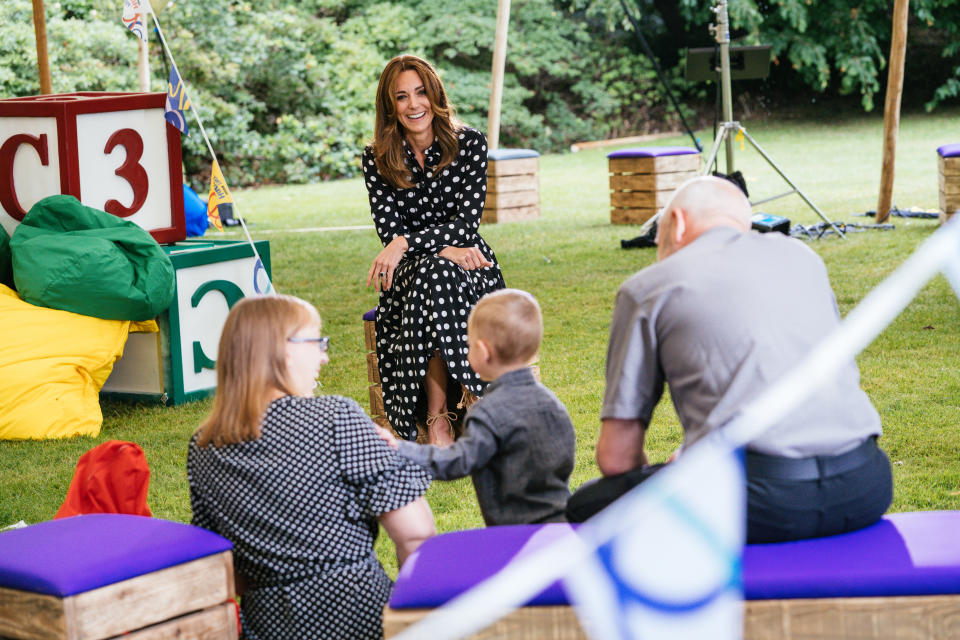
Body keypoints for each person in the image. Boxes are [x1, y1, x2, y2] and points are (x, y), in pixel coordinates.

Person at [567, 176, 893, 543]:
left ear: (678, 222)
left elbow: (617, 459)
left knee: (587, 505)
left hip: (758, 502)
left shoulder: (648, 287)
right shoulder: (803, 257)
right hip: (866, 484)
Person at [187, 295, 435, 640]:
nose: (324, 355)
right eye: (316, 341)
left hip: (268, 625)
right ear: (283, 349)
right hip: (359, 616)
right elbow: (415, 532)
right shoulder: (335, 418)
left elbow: (229, 569)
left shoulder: (204, 445)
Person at [362, 54, 505, 447]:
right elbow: (388, 231)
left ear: (435, 94)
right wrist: (441, 251)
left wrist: (409, 241)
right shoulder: (375, 158)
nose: (414, 105)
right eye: (402, 97)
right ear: (390, 105)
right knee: (434, 273)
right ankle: (462, 406)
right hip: (411, 276)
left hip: (472, 265)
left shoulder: (470, 143)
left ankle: (442, 415)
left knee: (439, 275)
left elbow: (466, 225)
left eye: (421, 93)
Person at [377, 289, 576, 526]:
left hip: (513, 531)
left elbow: (456, 461)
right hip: (560, 524)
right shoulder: (552, 404)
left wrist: (400, 449)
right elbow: (566, 457)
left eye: (468, 346)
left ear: (483, 352)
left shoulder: (487, 412)